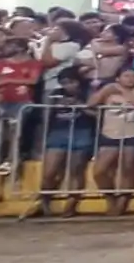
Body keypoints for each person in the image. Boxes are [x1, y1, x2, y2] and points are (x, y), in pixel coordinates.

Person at [26, 69, 95, 218]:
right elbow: (46, 115)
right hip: (58, 132)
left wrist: (79, 105)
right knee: (49, 172)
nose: (68, 86)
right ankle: (43, 203)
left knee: (76, 170)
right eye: (65, 83)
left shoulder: (88, 92)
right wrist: (55, 105)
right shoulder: (55, 93)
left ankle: (71, 205)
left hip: (82, 131)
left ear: (78, 81)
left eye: (72, 82)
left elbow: (96, 114)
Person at [90, 65, 134, 215]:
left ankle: (123, 201)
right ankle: (110, 198)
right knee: (99, 171)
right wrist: (105, 90)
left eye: (133, 76)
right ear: (118, 78)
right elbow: (90, 103)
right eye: (126, 76)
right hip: (110, 133)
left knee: (128, 169)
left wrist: (120, 89)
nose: (130, 79)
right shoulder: (108, 92)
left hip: (133, 133)